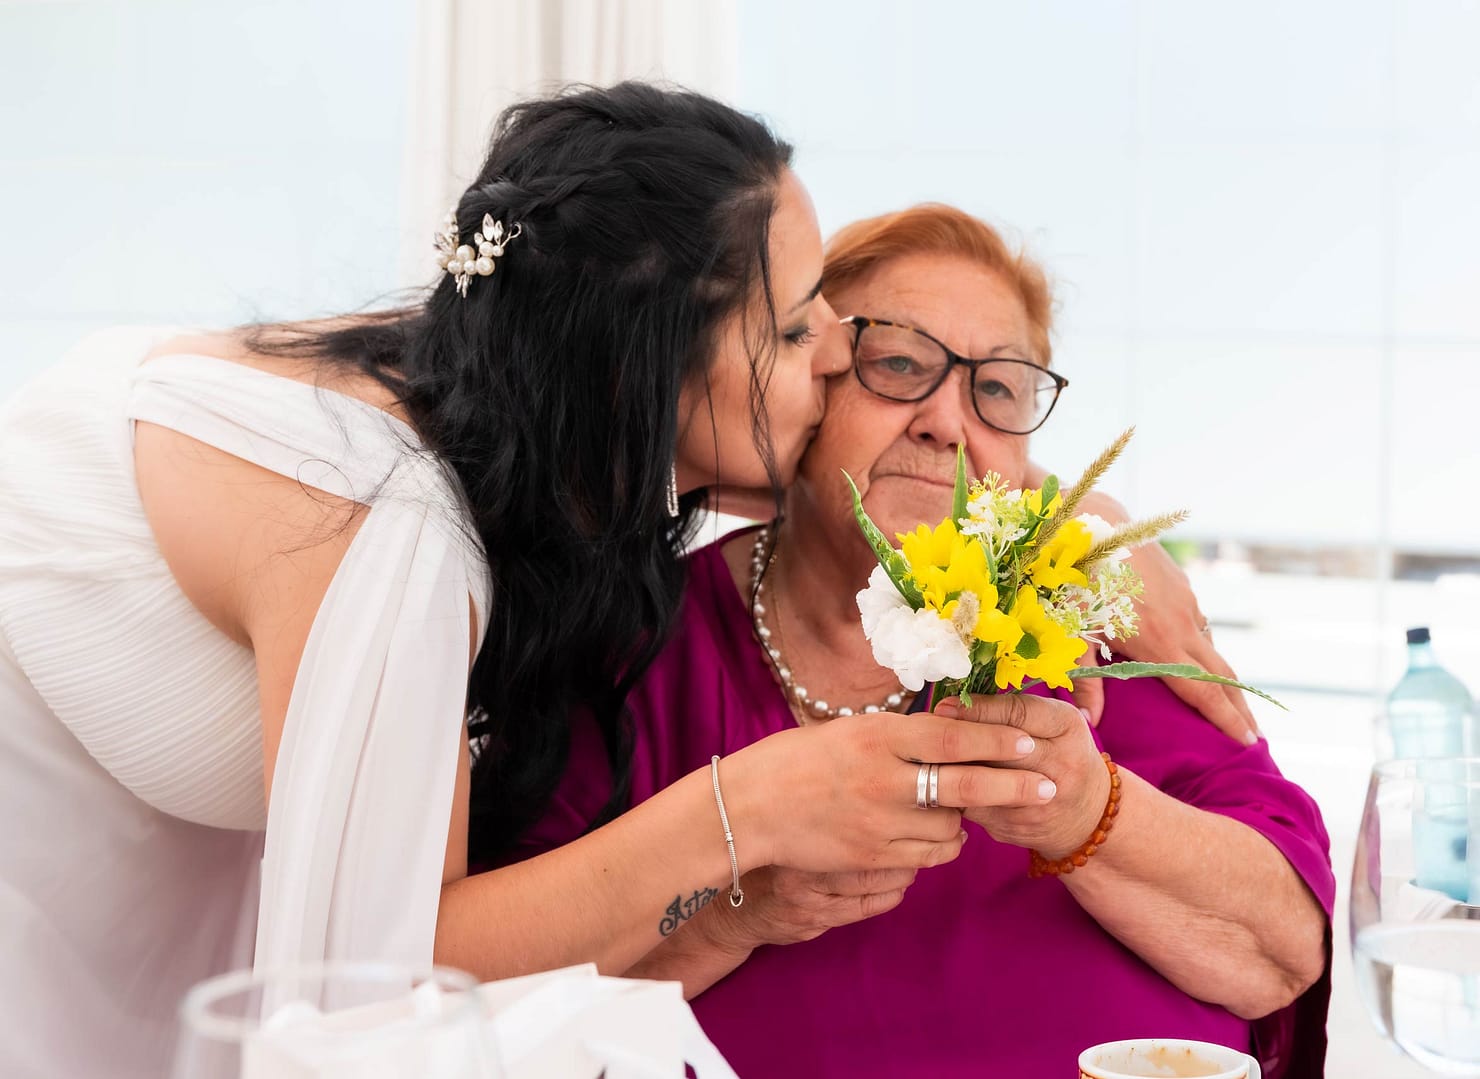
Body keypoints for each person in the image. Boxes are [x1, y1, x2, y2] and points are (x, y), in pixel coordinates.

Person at [0, 86, 1060, 1079]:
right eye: (790, 329)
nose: (836, 352)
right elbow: (367, 1005)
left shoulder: (514, 425)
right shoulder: (386, 522)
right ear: (636, 371)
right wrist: (746, 809)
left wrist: (1081, 531)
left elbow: (900, 471)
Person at [506, 204, 1334, 1078]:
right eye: (899, 363)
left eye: (998, 389)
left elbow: (1280, 953)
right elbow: (506, 1010)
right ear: (804, 386)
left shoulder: (1095, 629)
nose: (948, 421)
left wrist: (1088, 814)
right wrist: (734, 915)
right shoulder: (635, 645)